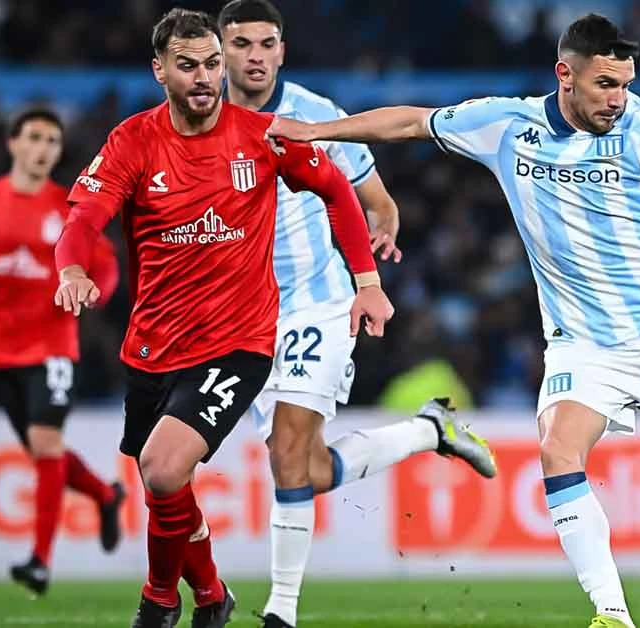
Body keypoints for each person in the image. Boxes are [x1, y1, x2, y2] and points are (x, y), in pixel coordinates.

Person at [267, 13, 640, 628]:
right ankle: (612, 613)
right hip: (581, 343)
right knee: (557, 449)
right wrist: (315, 131)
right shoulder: (508, 124)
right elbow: (412, 121)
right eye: (605, 83)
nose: (618, 99)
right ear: (565, 75)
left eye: (625, 84)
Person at [52, 9, 392, 628]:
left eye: (212, 63)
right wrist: (72, 270)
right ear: (160, 70)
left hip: (238, 343)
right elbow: (81, 221)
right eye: (188, 65)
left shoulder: (262, 136)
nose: (205, 77)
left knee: (161, 468)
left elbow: (338, 192)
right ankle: (211, 595)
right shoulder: (133, 141)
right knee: (165, 487)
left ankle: (159, 603)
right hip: (153, 344)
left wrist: (366, 283)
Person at [217, 2, 497, 626]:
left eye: (267, 43)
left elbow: (375, 198)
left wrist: (383, 227)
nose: (256, 56)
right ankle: (431, 431)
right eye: (242, 44)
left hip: (319, 305)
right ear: (221, 51)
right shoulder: (203, 119)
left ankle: (280, 612)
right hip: (241, 318)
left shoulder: (316, 114)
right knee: (307, 468)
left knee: (289, 451)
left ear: (282, 51)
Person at [0, 107, 124, 596]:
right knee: (47, 453)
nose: (44, 149)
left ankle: (39, 561)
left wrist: (92, 290)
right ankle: (106, 495)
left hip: (52, 344)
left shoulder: (68, 207)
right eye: (36, 138)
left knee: (45, 444)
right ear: (13, 143)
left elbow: (104, 264)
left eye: (53, 141)